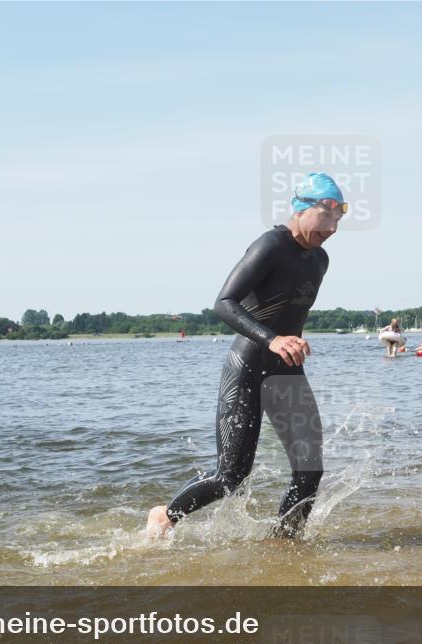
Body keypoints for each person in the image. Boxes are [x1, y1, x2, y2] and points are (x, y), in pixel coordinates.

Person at [145, 172, 344, 540]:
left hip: (286, 370)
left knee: (310, 470)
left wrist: (291, 342)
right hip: (248, 366)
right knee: (230, 477)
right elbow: (224, 303)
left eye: (337, 220)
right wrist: (272, 339)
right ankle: (164, 516)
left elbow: (288, 312)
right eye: (325, 217)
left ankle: (285, 545)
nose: (331, 229)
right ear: (300, 209)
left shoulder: (320, 260)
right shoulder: (271, 246)